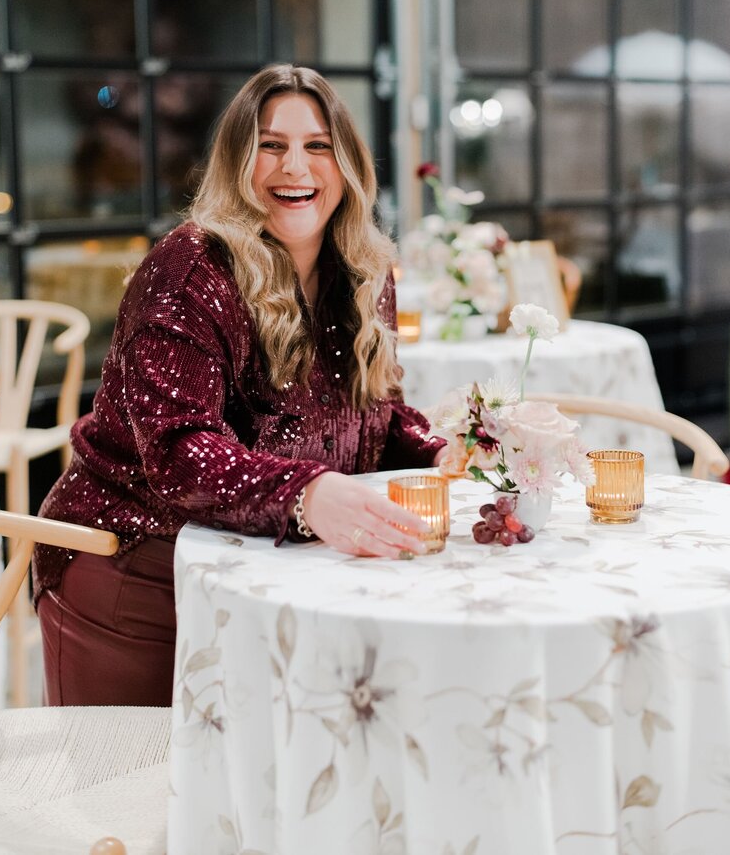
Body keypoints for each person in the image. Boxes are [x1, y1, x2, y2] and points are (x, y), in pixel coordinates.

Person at [34, 64, 446, 708]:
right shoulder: (189, 268)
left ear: (348, 164)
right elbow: (180, 452)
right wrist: (308, 495)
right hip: (135, 567)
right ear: (236, 162)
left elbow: (374, 417)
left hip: (275, 570)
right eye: (271, 145)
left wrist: (446, 452)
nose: (296, 169)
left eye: (317, 146)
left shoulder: (365, 271)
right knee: (133, 799)